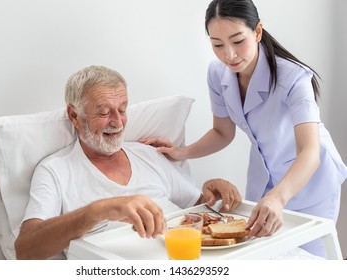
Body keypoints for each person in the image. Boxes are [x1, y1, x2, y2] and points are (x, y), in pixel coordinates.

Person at [141, 0, 347, 258]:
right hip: (264, 182)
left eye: (238, 41)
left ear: (258, 32)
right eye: (217, 44)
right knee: (263, 259)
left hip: (308, 182)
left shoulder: (294, 78)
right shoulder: (218, 73)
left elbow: (309, 151)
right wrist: (182, 152)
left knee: (311, 262)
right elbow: (222, 132)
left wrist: (278, 198)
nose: (229, 55)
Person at [14, 65, 242, 260]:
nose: (118, 122)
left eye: (122, 109)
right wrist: (99, 210)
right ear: (75, 116)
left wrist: (213, 190)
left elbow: (197, 210)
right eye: (104, 112)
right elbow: (25, 249)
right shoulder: (55, 170)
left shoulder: (148, 155)